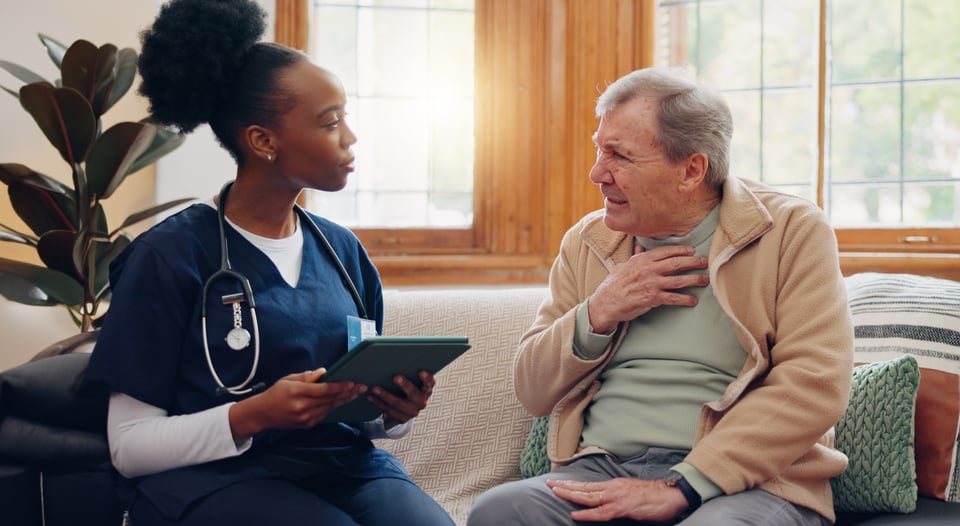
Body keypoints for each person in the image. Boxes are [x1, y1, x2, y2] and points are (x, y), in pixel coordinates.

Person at [84, 1, 454, 525]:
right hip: (213, 479)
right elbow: (128, 447)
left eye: (345, 118)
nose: (350, 139)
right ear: (263, 141)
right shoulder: (167, 257)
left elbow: (364, 417)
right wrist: (251, 415)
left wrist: (394, 413)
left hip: (342, 467)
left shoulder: (342, 251)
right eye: (330, 124)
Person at [467, 66, 854, 526]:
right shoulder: (588, 242)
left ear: (691, 170)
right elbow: (532, 391)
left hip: (749, 483)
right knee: (500, 511)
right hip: (602, 468)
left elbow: (814, 384)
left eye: (619, 156)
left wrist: (685, 485)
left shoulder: (791, 231)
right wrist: (598, 311)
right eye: (599, 149)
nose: (597, 172)